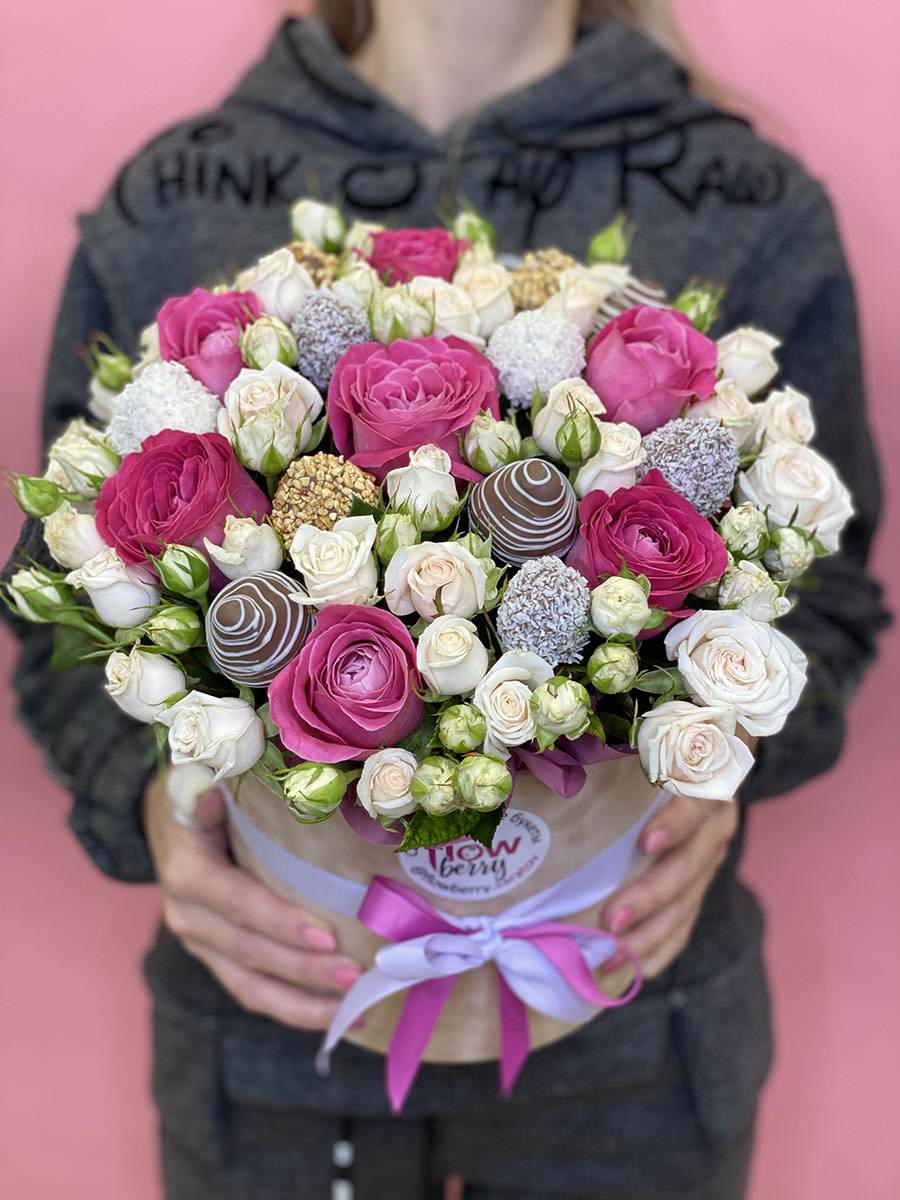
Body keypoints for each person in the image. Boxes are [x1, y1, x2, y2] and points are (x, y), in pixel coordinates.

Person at [2, 2, 890, 1197]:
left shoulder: (744, 198)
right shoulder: (177, 196)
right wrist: (150, 808)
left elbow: (829, 600)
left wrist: (719, 765)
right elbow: (55, 596)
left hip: (635, 1053)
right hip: (273, 1058)